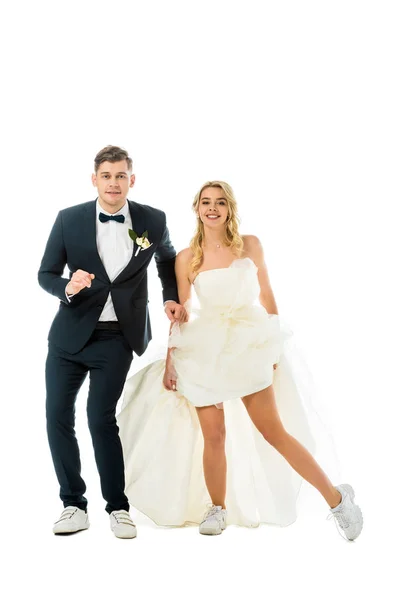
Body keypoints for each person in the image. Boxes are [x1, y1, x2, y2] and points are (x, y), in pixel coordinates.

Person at [117, 180, 363, 541]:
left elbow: (268, 297)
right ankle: (217, 507)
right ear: (197, 208)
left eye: (219, 202)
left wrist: (274, 345)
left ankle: (338, 500)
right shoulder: (188, 257)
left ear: (229, 208)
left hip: (248, 342)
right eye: (205, 202)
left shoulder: (250, 245)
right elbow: (181, 313)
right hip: (204, 346)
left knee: (273, 430)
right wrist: (171, 361)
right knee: (213, 434)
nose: (212, 208)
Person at [38, 145, 187, 538]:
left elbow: (167, 260)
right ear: (95, 180)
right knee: (57, 416)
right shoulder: (68, 219)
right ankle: (73, 504)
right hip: (69, 337)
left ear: (131, 180)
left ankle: (117, 508)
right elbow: (45, 273)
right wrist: (66, 286)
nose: (114, 182)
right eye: (107, 175)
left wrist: (171, 295)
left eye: (121, 175)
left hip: (117, 338)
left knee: (100, 418)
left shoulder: (153, 220)